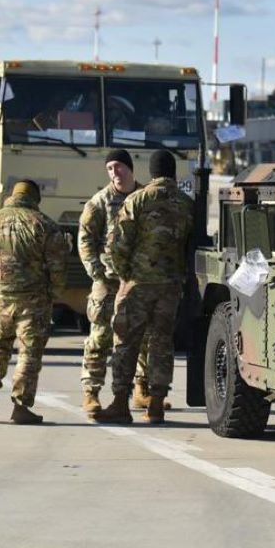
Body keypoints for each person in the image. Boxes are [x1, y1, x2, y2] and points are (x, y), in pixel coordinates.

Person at [96, 150, 194, 424]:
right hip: (170, 287)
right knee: (161, 344)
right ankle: (156, 404)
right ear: (173, 172)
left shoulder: (137, 200)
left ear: (151, 172)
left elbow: (116, 244)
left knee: (126, 343)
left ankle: (119, 403)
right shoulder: (186, 203)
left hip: (138, 285)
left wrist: (125, 276)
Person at [0, 180, 66, 425]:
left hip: (1, 298)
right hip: (33, 300)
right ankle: (21, 406)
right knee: (28, 352)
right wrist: (53, 293)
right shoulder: (45, 225)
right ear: (35, 199)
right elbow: (58, 268)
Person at [77, 149, 141, 419]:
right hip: (109, 280)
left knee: (142, 338)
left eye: (119, 167)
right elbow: (85, 239)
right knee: (100, 336)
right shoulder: (99, 202)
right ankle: (91, 392)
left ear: (129, 168)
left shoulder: (143, 197)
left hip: (138, 281)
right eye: (110, 168)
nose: (115, 173)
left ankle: (140, 390)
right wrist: (97, 274)